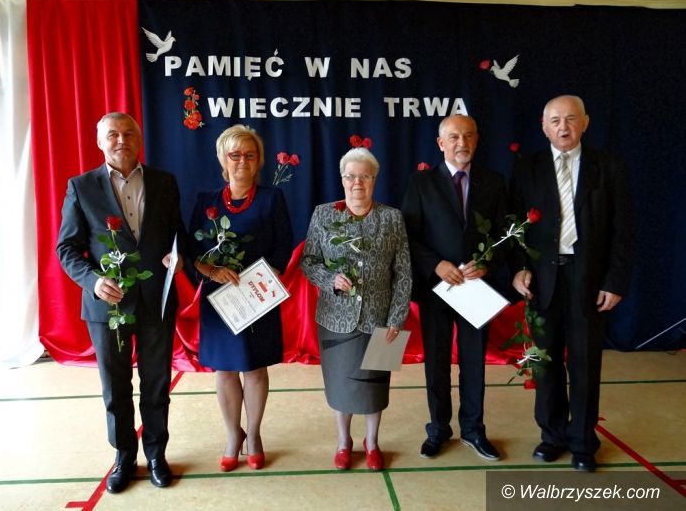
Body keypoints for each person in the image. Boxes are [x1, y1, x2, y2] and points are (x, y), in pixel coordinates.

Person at [56, 112, 186, 493]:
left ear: (139, 140)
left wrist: (177, 256)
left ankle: (157, 454)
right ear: (100, 142)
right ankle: (124, 456)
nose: (121, 140)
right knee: (115, 387)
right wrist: (93, 281)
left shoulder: (164, 182)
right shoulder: (81, 187)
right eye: (112, 134)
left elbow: (177, 233)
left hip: (155, 300)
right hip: (106, 306)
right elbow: (66, 248)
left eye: (128, 133)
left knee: (157, 384)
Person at [509, 95, 634, 472]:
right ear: (544, 126)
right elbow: (512, 226)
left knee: (584, 363)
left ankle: (582, 443)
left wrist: (615, 280)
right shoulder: (527, 168)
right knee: (544, 364)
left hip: (588, 278)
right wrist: (518, 268)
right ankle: (552, 436)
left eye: (570, 119)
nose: (563, 127)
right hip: (542, 279)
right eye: (555, 120)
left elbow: (623, 229)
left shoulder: (608, 167)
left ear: (585, 122)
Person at [401, 115, 506, 461]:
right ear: (441, 143)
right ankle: (438, 429)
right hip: (437, 287)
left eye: (468, 136)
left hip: (476, 287)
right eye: (454, 137)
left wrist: (488, 262)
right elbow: (408, 235)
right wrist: (436, 264)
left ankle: (474, 430)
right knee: (437, 362)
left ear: (477, 140)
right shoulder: (421, 182)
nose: (462, 143)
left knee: (474, 362)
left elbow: (505, 234)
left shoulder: (494, 181)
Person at [189, 125, 293, 472]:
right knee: (225, 370)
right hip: (219, 299)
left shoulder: (271, 198)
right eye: (235, 155)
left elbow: (283, 246)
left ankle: (255, 435)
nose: (242, 161)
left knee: (254, 367)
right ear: (223, 159)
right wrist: (211, 271)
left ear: (259, 160)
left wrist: (266, 276)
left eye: (250, 155)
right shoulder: (206, 202)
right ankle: (233, 434)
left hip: (256, 298)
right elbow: (191, 251)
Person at [300, 146, 412, 471]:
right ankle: (343, 441)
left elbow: (403, 272)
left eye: (365, 176)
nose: (357, 183)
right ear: (342, 179)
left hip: (382, 318)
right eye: (351, 176)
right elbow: (309, 261)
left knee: (376, 386)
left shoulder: (392, 218)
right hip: (335, 318)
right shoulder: (324, 214)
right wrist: (329, 279)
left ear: (375, 179)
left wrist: (397, 318)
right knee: (340, 384)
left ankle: (372, 442)